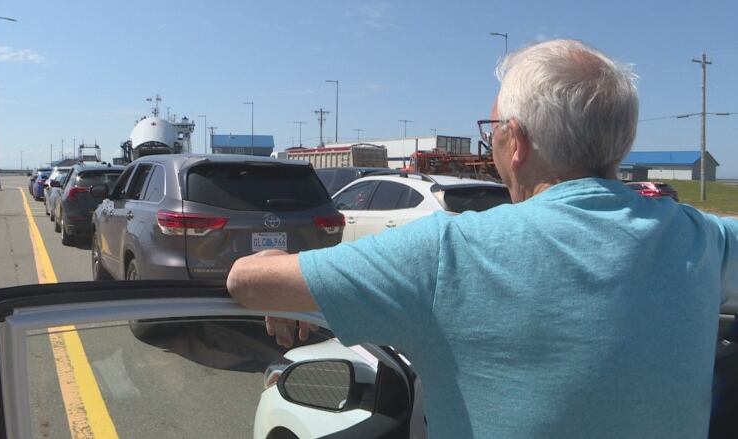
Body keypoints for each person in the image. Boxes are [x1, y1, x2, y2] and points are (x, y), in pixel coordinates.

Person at [227, 39, 738, 438]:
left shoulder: (448, 253)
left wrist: (273, 257)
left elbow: (245, 283)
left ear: (515, 142)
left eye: (493, 128)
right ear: (621, 143)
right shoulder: (702, 238)